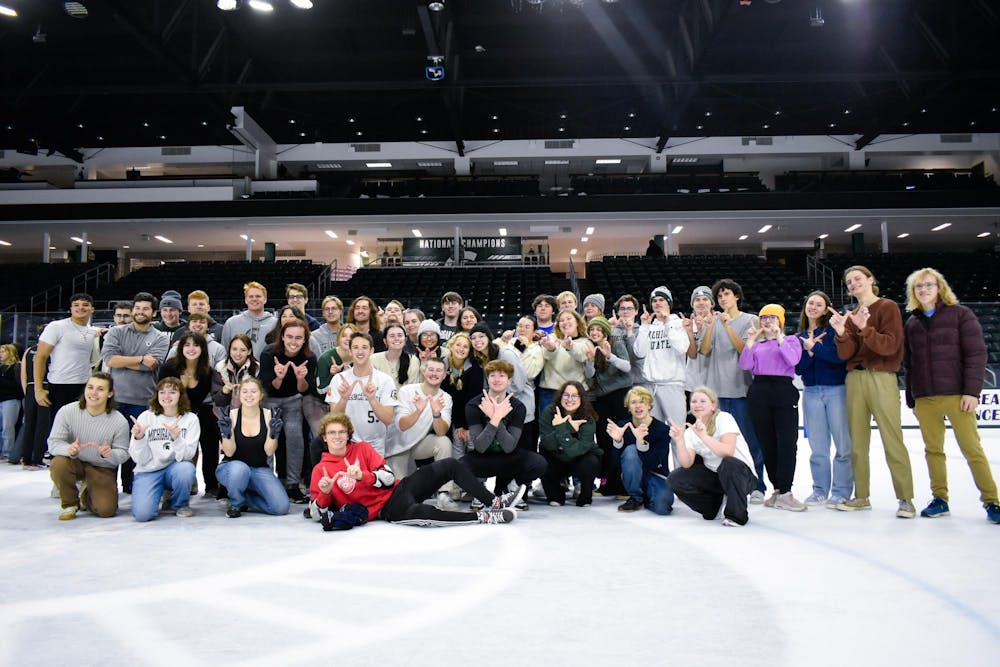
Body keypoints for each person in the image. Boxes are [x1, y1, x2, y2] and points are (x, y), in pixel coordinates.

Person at [902, 267, 999, 523]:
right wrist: (912, 397)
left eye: (928, 285)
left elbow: (976, 355)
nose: (924, 290)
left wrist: (971, 391)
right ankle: (940, 498)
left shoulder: (960, 315)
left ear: (940, 287)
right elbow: (909, 364)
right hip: (925, 398)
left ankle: (992, 501)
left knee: (972, 449)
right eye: (919, 287)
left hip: (957, 396)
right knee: (933, 451)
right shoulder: (912, 322)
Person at [309, 413, 520, 527]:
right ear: (324, 437)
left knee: (449, 465)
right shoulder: (321, 470)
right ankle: (485, 518)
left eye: (342, 432)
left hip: (398, 490)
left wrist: (364, 475)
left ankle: (494, 502)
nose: (337, 437)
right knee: (424, 514)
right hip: (386, 510)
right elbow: (317, 514)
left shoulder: (362, 449)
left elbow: (389, 479)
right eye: (332, 433)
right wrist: (325, 494)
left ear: (348, 434)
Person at [829, 265, 915, 518]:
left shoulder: (887, 307)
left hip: (882, 378)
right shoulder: (853, 313)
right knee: (857, 442)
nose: (853, 283)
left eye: (857, 279)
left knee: (892, 439)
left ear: (870, 279)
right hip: (855, 379)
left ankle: (905, 498)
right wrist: (842, 333)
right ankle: (862, 495)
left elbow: (890, 346)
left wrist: (865, 327)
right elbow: (847, 354)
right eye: (849, 281)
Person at [701, 279, 767, 500]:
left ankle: (758, 484)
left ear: (736, 296)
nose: (722, 299)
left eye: (726, 294)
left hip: (742, 389)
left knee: (750, 438)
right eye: (719, 296)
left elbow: (744, 350)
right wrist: (712, 326)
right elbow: (705, 350)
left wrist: (728, 326)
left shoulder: (751, 320)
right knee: (720, 441)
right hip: (718, 392)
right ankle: (728, 484)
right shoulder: (714, 320)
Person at [101, 292, 171, 493]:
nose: (140, 312)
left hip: (142, 400)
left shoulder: (160, 338)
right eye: (137, 308)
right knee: (112, 444)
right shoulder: (116, 332)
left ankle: (130, 486)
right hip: (115, 399)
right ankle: (108, 487)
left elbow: (151, 366)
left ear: (154, 313)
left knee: (136, 445)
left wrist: (125, 359)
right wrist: (140, 359)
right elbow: (110, 360)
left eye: (145, 308)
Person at [740, 304, 805, 511]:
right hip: (759, 391)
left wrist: (779, 338)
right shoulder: (757, 345)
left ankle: (786, 490)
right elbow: (744, 365)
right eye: (764, 318)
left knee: (787, 442)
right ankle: (777, 489)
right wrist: (750, 341)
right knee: (767, 443)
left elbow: (793, 359)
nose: (767, 321)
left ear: (780, 321)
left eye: (772, 317)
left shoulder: (791, 340)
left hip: (783, 391)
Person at [667, 386, 758, 527]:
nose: (697, 405)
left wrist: (703, 436)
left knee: (728, 463)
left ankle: (737, 516)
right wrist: (679, 441)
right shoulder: (691, 431)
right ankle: (712, 508)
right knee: (675, 478)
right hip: (716, 477)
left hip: (742, 476)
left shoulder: (724, 418)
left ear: (713, 406)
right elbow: (686, 464)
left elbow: (727, 451)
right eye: (694, 401)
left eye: (703, 401)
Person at [461, 360, 547, 506]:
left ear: (509, 381)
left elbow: (509, 446)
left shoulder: (518, 407)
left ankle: (512, 489)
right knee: (458, 467)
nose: (496, 379)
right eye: (492, 375)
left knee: (539, 463)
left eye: (502, 376)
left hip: (508, 457)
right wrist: (495, 419)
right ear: (487, 379)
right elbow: (480, 446)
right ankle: (480, 491)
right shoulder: (474, 405)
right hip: (482, 457)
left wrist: (496, 418)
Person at [796, 290, 853, 507]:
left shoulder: (833, 332)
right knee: (818, 447)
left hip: (836, 390)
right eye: (811, 303)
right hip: (811, 393)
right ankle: (820, 490)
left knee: (842, 444)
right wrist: (809, 352)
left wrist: (815, 348)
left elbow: (839, 358)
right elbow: (799, 368)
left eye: (819, 304)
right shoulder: (799, 336)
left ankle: (841, 490)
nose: (814, 307)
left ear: (825, 309)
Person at [47, 372, 130, 520]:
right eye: (90, 387)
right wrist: (69, 449)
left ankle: (87, 495)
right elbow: (53, 443)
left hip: (101, 466)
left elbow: (124, 453)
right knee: (58, 463)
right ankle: (70, 504)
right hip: (74, 461)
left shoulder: (119, 420)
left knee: (106, 510)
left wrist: (109, 454)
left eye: (100, 389)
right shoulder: (67, 412)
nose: (93, 393)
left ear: (109, 394)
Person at [159, 331, 224, 496]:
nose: (191, 348)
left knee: (209, 429)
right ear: (180, 348)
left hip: (196, 411)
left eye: (196, 345)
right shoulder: (169, 367)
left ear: (203, 349)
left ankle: (211, 483)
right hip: (171, 412)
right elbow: (162, 395)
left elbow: (202, 398)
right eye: (187, 344)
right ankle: (177, 482)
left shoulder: (207, 371)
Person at [259, 318, 316, 503]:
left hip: (293, 400)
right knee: (269, 438)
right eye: (289, 336)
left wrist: (300, 378)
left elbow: (305, 389)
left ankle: (292, 484)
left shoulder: (309, 357)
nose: (293, 341)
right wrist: (279, 377)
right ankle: (266, 481)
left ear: (304, 339)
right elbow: (267, 387)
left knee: (295, 438)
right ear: (282, 337)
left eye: (298, 338)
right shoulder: (269, 353)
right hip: (269, 399)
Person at [128, 377, 200, 521]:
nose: (166, 396)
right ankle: (159, 491)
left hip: (175, 469)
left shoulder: (190, 419)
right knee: (143, 515)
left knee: (186, 469)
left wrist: (176, 439)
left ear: (181, 395)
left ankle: (179, 504)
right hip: (149, 471)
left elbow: (187, 456)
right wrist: (139, 439)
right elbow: (139, 459)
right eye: (162, 392)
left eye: (172, 392)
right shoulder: (146, 417)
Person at [216, 377, 290, 517]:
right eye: (245, 392)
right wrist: (226, 435)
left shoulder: (269, 415)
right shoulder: (231, 415)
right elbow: (230, 452)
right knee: (240, 469)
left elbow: (269, 451)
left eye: (253, 391)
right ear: (239, 395)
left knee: (281, 507)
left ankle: (245, 498)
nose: (249, 395)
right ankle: (236, 503)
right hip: (232, 468)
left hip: (258, 468)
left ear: (261, 395)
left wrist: (274, 435)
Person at [389, 357, 455, 509]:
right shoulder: (407, 391)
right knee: (401, 498)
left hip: (418, 445)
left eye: (439, 370)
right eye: (431, 369)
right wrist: (418, 411)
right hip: (396, 447)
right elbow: (402, 426)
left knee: (443, 442)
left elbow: (441, 431)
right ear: (424, 371)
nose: (434, 374)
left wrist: (436, 414)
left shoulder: (445, 397)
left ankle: (444, 494)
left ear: (444, 375)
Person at [324, 332, 397, 456]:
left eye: (364, 347)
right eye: (355, 347)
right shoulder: (339, 379)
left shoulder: (385, 380)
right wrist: (344, 398)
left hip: (375, 445)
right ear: (350, 351)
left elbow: (388, 419)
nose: (360, 352)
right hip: (346, 444)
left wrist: (372, 399)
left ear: (372, 350)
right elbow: (334, 419)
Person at [584, 315, 631, 497]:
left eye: (599, 329)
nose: (595, 332)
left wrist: (610, 356)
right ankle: (607, 483)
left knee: (622, 439)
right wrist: (589, 361)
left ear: (605, 332)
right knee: (604, 440)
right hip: (601, 398)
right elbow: (589, 376)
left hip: (620, 396)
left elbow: (627, 367)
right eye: (592, 330)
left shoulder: (615, 342)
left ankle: (623, 483)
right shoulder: (590, 348)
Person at [607, 386, 673, 515]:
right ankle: (636, 497)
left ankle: (646, 498)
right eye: (633, 402)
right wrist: (618, 442)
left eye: (642, 402)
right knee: (631, 450)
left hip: (656, 475)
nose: (638, 406)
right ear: (628, 407)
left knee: (662, 508)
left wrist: (641, 442)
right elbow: (616, 464)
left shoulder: (662, 430)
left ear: (649, 406)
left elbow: (655, 463)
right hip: (633, 474)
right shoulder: (623, 426)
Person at [633, 286, 689, 429]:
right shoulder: (648, 327)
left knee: (677, 432)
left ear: (669, 303)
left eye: (662, 300)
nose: (657, 303)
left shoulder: (678, 323)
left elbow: (682, 348)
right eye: (654, 301)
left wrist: (668, 324)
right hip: (651, 386)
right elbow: (639, 352)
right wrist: (644, 327)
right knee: (654, 434)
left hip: (672, 385)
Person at [34, 293, 101, 414]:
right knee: (60, 428)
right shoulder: (56, 326)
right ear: (71, 309)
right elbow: (40, 357)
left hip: (85, 385)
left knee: (81, 426)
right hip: (60, 385)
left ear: (92, 309)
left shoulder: (93, 331)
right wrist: (38, 389)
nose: (81, 307)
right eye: (76, 305)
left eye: (85, 305)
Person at [538, 381, 602, 507]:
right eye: (566, 395)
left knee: (592, 460)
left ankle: (585, 496)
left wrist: (562, 428)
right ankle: (555, 494)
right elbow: (547, 443)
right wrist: (569, 428)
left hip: (578, 459)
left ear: (581, 398)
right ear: (560, 397)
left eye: (575, 396)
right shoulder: (549, 412)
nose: (570, 399)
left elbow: (577, 451)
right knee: (543, 454)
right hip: (555, 457)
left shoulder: (587, 417)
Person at [537, 308, 591, 418]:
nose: (565, 322)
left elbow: (581, 356)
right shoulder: (551, 338)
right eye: (561, 320)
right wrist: (551, 348)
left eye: (569, 318)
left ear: (577, 322)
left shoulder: (586, 341)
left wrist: (570, 347)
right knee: (548, 428)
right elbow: (546, 356)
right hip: (550, 393)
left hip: (576, 394)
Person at [442, 333, 484, 464]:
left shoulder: (475, 368)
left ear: (469, 351)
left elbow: (473, 400)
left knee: (472, 446)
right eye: (458, 345)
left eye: (465, 347)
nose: (461, 349)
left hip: (471, 417)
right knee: (456, 448)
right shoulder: (443, 364)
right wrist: (458, 424)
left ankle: (478, 481)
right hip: (450, 416)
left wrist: (464, 426)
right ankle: (458, 481)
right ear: (451, 346)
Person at [221, 281, 278, 360]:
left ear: (265, 299)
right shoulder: (231, 323)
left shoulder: (275, 323)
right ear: (246, 300)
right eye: (251, 296)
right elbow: (225, 352)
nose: (254, 299)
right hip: (238, 371)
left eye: (258, 296)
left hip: (266, 370)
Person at [212, 333, 259, 412]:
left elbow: (261, 398)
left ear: (249, 351)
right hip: (224, 416)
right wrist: (225, 391)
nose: (238, 354)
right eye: (234, 349)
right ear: (229, 350)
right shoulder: (220, 367)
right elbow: (217, 401)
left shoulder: (257, 368)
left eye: (243, 350)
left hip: (249, 414)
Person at [684, 286, 715, 406]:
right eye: (697, 300)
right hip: (693, 383)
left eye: (705, 299)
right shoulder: (687, 325)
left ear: (712, 303)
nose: (701, 302)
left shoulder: (720, 322)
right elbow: (691, 355)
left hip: (715, 383)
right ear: (692, 304)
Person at [372, 323, 420, 389]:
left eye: (400, 335)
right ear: (385, 341)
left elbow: (413, 388)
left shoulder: (413, 361)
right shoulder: (373, 359)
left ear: (405, 340)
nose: (396, 338)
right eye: (392, 336)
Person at [0, 343, 22, 460]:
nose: (1, 354)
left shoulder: (16, 367)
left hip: (11, 399)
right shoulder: (1, 367)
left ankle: (8, 451)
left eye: (3, 352)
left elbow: (18, 385)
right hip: (2, 399)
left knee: (7, 427)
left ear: (10, 352)